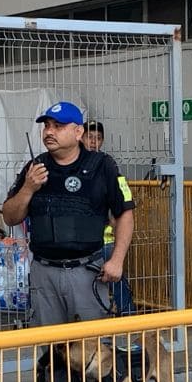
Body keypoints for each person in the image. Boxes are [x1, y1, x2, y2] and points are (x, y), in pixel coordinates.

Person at [4, 101, 134, 382]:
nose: (49, 131)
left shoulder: (102, 166)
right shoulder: (35, 168)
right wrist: (28, 188)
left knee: (98, 353)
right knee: (57, 353)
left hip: (87, 273)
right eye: (46, 125)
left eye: (58, 126)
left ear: (78, 132)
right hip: (45, 273)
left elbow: (124, 214)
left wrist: (117, 259)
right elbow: (10, 215)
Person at [82, 121, 134, 316]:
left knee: (115, 280)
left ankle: (128, 318)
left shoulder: (107, 166)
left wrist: (115, 222)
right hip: (84, 241)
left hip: (106, 240)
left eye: (98, 138)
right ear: (80, 137)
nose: (94, 142)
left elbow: (123, 202)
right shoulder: (75, 166)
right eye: (90, 137)